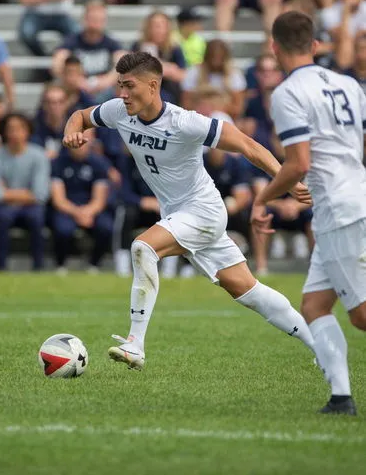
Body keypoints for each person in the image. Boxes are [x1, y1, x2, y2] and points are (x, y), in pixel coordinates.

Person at [62, 51, 315, 379]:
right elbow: (81, 115)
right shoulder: (118, 110)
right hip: (178, 215)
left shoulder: (185, 122)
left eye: (129, 86)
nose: (122, 94)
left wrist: (287, 179)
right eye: (119, 86)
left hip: (203, 212)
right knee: (248, 291)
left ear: (153, 86)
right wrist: (71, 132)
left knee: (143, 247)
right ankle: (321, 344)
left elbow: (249, 146)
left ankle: (134, 344)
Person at [251, 10, 366, 415]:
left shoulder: (286, 93)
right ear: (315, 45)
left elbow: (298, 163)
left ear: (274, 46)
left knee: (362, 315)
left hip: (339, 209)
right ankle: (341, 398)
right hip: (353, 197)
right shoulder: (348, 83)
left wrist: (262, 199)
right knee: (315, 307)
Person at [0, 113, 51, 271]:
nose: (15, 133)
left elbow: (41, 194)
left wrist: (8, 192)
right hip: (5, 207)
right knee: (2, 217)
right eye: (11, 129)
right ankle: (1, 268)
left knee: (37, 218)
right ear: (4, 132)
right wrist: (27, 193)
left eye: (20, 129)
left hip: (30, 207)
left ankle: (38, 267)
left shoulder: (39, 156)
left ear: (28, 131)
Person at [51, 143, 114, 272]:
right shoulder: (58, 162)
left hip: (91, 208)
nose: (79, 145)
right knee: (63, 229)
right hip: (67, 208)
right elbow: (58, 199)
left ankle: (94, 264)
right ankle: (61, 265)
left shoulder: (98, 163)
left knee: (106, 227)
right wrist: (77, 213)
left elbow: (100, 198)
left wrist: (88, 211)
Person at [52, 0, 124, 102]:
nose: (95, 24)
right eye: (92, 19)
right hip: (76, 89)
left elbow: (122, 65)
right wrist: (77, 81)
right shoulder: (72, 41)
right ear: (84, 19)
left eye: (99, 19)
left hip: (104, 89)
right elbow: (57, 65)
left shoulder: (111, 43)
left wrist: (105, 82)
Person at [181, 39, 246, 120]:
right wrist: (201, 107)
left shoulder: (235, 75)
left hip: (224, 118)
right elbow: (186, 103)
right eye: (213, 57)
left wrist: (216, 108)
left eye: (220, 57)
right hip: (197, 117)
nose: (216, 61)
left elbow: (238, 108)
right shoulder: (194, 72)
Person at [132, 11, 186, 104]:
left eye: (162, 26)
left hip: (168, 91)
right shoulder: (138, 46)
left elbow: (183, 75)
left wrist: (161, 68)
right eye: (155, 26)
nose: (159, 30)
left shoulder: (174, 48)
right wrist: (167, 68)